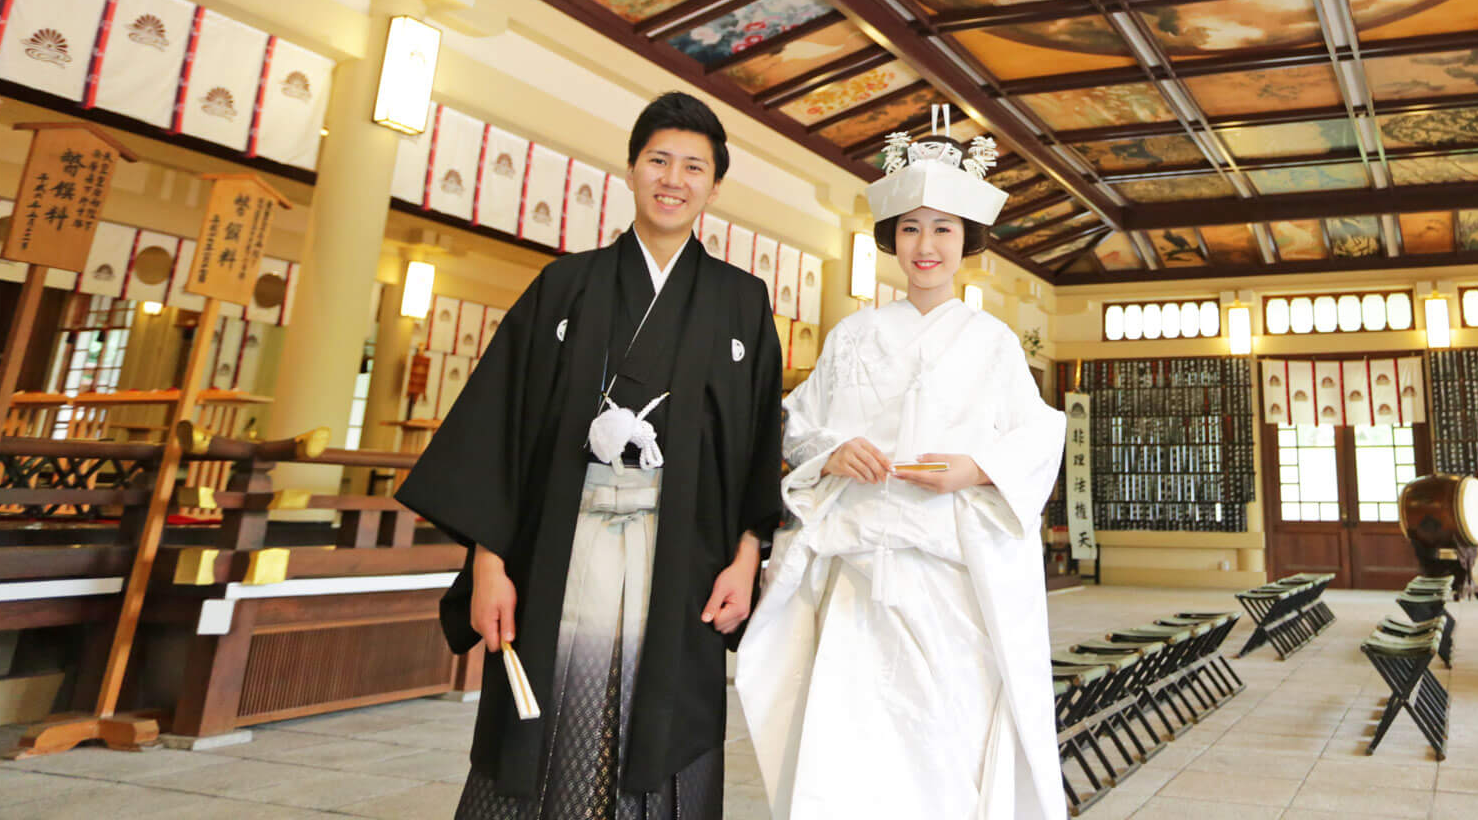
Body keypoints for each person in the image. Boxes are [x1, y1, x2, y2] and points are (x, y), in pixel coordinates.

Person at [398, 92, 783, 820]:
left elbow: (757, 443)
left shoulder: (742, 301)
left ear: (715, 186)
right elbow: (500, 429)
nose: (673, 179)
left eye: (693, 167)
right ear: (632, 168)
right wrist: (488, 563)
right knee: (542, 722)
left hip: (685, 558)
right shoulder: (565, 285)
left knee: (666, 727)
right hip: (557, 549)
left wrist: (747, 556)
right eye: (659, 160)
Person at [738, 124, 1067, 820]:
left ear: (967, 241)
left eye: (944, 229)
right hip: (859, 582)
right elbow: (798, 425)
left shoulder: (993, 343)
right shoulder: (852, 337)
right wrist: (831, 453)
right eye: (912, 228)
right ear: (892, 237)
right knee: (849, 754)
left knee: (945, 750)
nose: (926, 247)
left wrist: (975, 468)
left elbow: (1039, 434)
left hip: (949, 584)